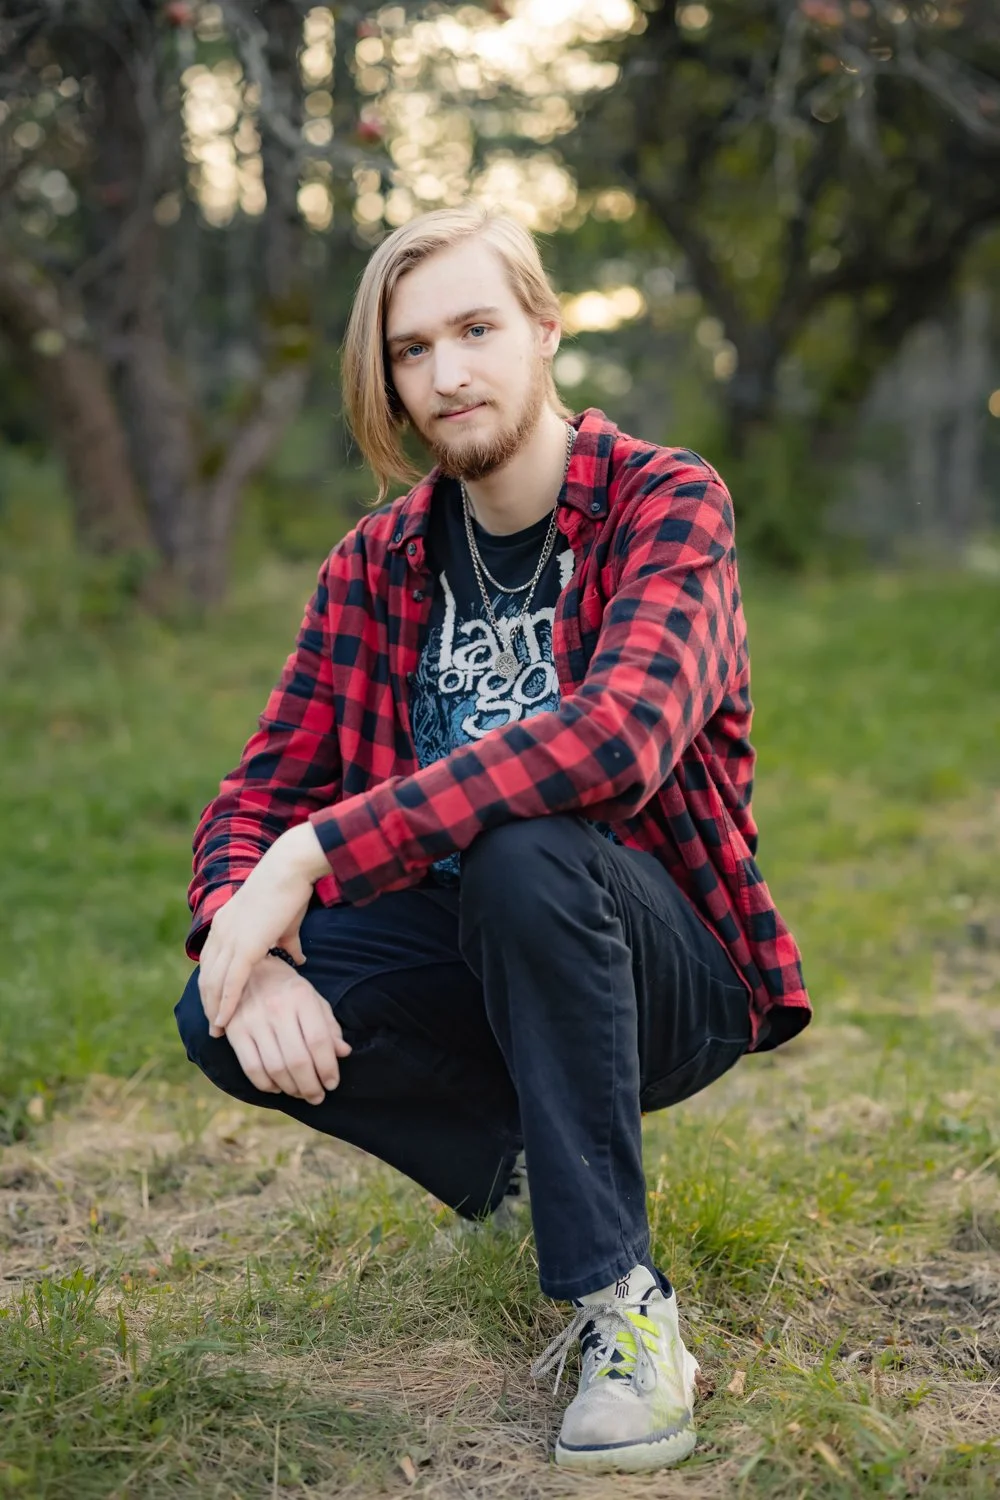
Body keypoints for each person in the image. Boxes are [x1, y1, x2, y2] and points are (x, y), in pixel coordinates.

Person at [174, 203, 809, 1474]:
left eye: (476, 329)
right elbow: (258, 790)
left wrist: (313, 858)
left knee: (524, 849)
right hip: (478, 968)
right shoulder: (377, 564)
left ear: (544, 329)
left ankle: (623, 1308)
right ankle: (529, 1175)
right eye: (413, 350)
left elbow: (617, 739)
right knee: (221, 1002)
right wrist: (240, 924)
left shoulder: (664, 504)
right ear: (391, 382)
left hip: (659, 970)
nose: (448, 373)